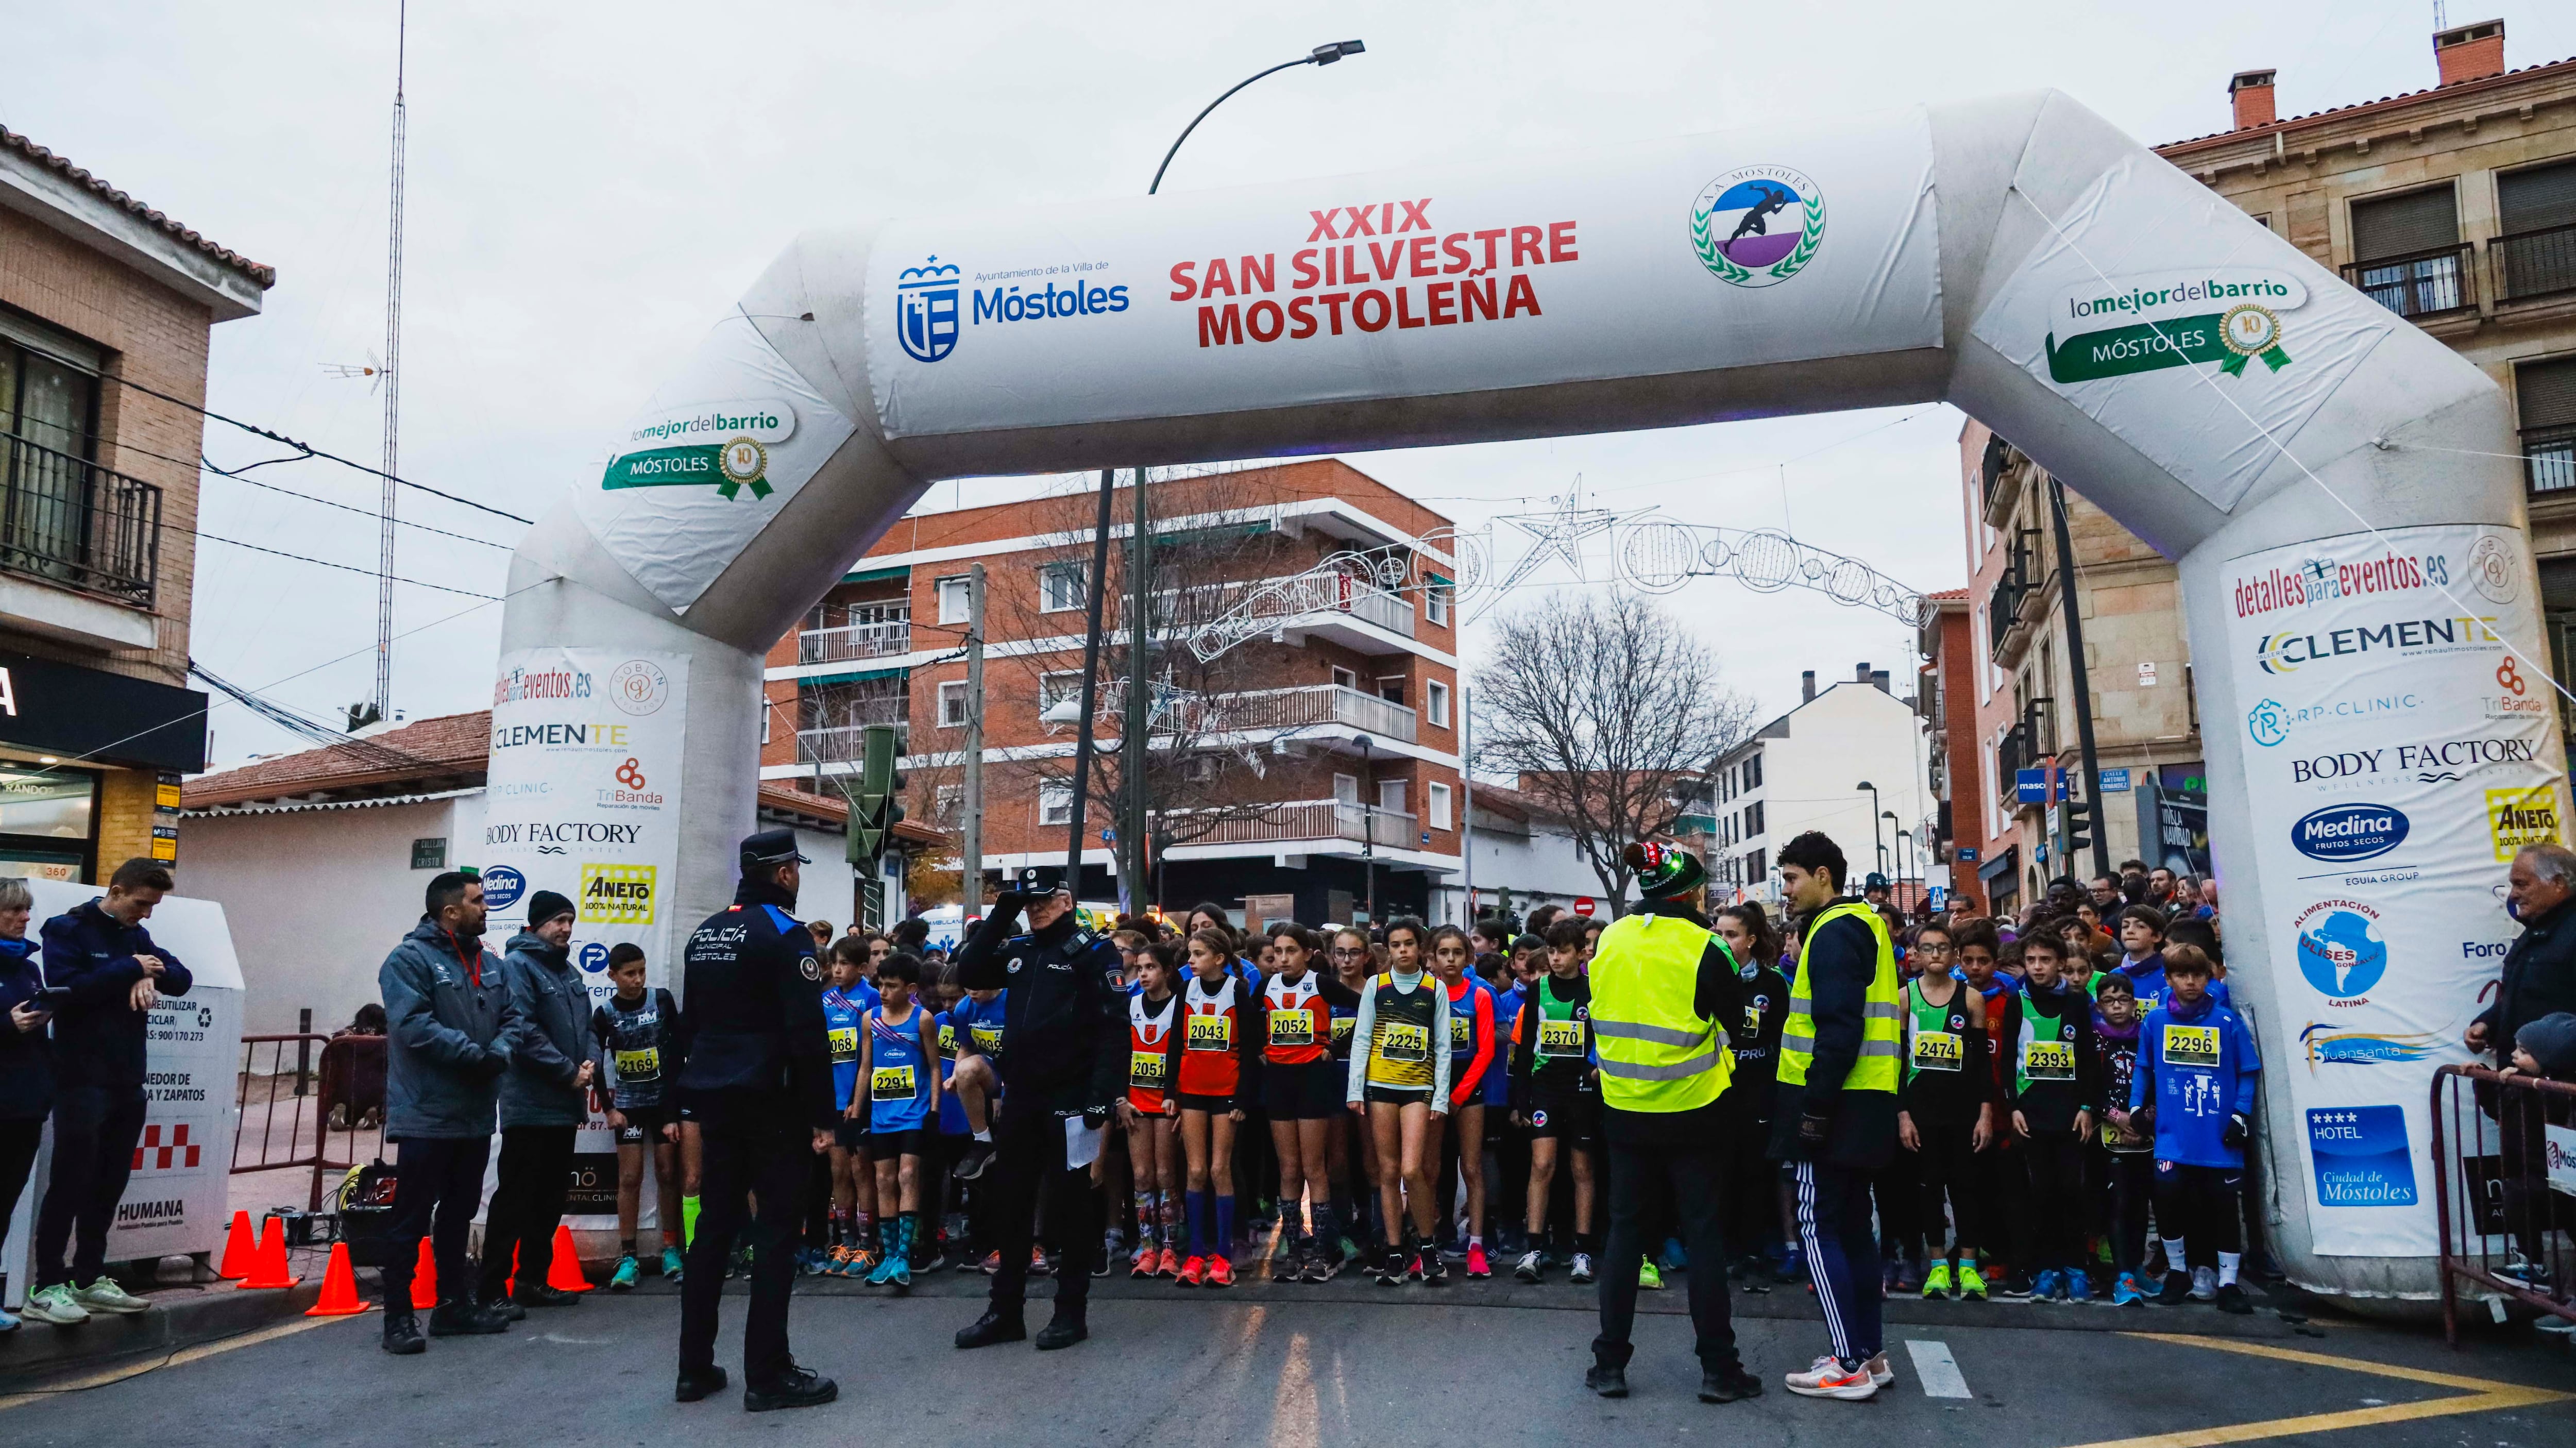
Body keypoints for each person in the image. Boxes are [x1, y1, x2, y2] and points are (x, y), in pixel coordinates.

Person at [1579, 843, 1759, 1404]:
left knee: (1625, 1234)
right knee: (1702, 1235)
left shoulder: (1609, 937)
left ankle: (1609, 1362)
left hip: (1625, 1109)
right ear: (1689, 892)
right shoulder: (1707, 947)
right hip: (1694, 1110)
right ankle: (1717, 1369)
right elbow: (1740, 1026)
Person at [674, 829, 839, 1412]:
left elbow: (690, 1022)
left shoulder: (707, 930)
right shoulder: (785, 934)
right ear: (785, 873)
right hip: (772, 1101)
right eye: (796, 867)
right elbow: (807, 1036)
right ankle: (767, 1374)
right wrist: (823, 1115)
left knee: (714, 1230)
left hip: (714, 1096)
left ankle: (693, 1367)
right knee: (774, 1234)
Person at [951, 883, 1126, 1352]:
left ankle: (1071, 1312)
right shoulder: (1022, 948)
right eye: (1030, 903)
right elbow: (968, 968)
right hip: (1023, 1095)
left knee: (1072, 1206)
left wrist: (1101, 1097)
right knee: (1010, 1203)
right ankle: (1005, 1311)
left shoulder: (1094, 951)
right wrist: (1002, 912)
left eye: (1046, 901)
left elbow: (1115, 1028)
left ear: (1068, 902)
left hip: (1071, 1095)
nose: (1038, 910)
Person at [29, 862, 190, 1326]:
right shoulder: (68, 929)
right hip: (81, 1077)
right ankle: (47, 1283)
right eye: (141, 904)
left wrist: (146, 973)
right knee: (71, 1180)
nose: (147, 915)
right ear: (116, 892)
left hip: (128, 1078)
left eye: (154, 907)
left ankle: (90, 1277)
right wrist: (130, 970)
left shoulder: (136, 936)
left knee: (110, 1181)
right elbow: (66, 989)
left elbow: (181, 977)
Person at [1771, 832, 1900, 1403]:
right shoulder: (1865, 923)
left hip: (1832, 1102)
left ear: (1823, 875)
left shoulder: (1830, 931)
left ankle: (1847, 1361)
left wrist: (1813, 1109)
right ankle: (1868, 1353)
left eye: (1792, 877)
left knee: (1818, 1228)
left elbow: (1837, 1028)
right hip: (1865, 1099)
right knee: (1852, 1230)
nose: (1786, 889)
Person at [364, 870, 511, 1354]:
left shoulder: (490, 962)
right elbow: (412, 1026)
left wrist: (501, 1051)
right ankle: (399, 1317)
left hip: (473, 1114)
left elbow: (513, 1018)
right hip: (426, 1115)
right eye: (478, 901)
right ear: (450, 912)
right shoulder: (408, 960)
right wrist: (476, 1055)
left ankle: (453, 1307)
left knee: (459, 1212)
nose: (487, 908)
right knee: (410, 1217)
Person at [480, 889, 594, 1315]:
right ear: (535, 924)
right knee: (514, 1199)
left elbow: (590, 1029)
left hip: (564, 1107)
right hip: (528, 1104)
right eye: (558, 921)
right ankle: (492, 1288)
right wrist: (568, 1071)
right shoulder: (518, 967)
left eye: (570, 921)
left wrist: (590, 1062)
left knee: (548, 1200)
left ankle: (533, 1281)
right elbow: (522, 1031)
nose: (566, 929)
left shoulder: (569, 973)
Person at [2131, 943, 2259, 1313]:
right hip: (2173, 1136)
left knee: (2222, 1206)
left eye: (2198, 974)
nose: (2190, 982)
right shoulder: (2156, 1021)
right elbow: (2143, 1067)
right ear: (2168, 979)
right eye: (2181, 975)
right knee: (2168, 1199)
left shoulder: (2226, 1022)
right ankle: (2176, 1273)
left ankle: (2229, 1283)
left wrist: (2240, 1115)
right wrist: (2137, 1107)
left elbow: (2247, 1072)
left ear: (2209, 977)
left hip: (2219, 1137)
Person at [1346, 917, 1452, 1286]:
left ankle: (1427, 1247)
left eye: (1408, 944)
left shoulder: (1434, 988)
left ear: (1420, 949)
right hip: (1380, 1086)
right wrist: (1355, 1089)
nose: (1402, 950)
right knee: (1388, 1173)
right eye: (1395, 945)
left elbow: (1442, 1045)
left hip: (1418, 1089)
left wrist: (1441, 1097)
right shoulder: (1376, 986)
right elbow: (1361, 1039)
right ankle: (1394, 1253)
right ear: (1387, 950)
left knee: (1412, 1169)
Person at [2001, 930, 2099, 1303]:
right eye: (2031, 961)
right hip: (2032, 1114)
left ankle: (2075, 1268)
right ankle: (2045, 1270)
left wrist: (2087, 1108)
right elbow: (2008, 1060)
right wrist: (2013, 1108)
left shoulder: (2076, 1004)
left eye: (2045, 960)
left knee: (2071, 1192)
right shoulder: (2016, 1003)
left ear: (2060, 963)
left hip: (2071, 1116)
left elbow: (2089, 1061)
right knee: (2040, 1193)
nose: (2038, 967)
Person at [1897, 917, 1992, 1302]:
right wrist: (1902, 1114)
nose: (1935, 955)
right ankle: (1937, 1265)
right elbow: (1897, 1060)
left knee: (1967, 1189)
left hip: (1963, 1109)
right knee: (1929, 1190)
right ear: (1916, 955)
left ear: (1954, 955)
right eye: (1928, 949)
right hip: (1921, 1111)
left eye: (1943, 948)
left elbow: (1982, 1063)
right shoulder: (1906, 998)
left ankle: (1968, 1268)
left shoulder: (1971, 999)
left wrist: (1986, 1112)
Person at [1258, 923, 1358, 1283]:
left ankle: (1324, 1251)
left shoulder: (1321, 983)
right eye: (1278, 952)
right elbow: (1247, 1019)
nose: (1283, 958)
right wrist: (1260, 1049)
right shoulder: (1266, 985)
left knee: (1314, 1167)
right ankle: (1293, 1251)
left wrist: (1337, 1048)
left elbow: (1364, 1010)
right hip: (1279, 1081)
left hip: (1314, 1079)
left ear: (1307, 954)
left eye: (1290, 951)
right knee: (1288, 1169)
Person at [592, 942, 689, 1290]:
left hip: (662, 1104)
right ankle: (628, 1256)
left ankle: (670, 1248)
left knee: (668, 1173)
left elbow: (678, 1056)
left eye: (642, 972)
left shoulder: (661, 1000)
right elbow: (595, 1061)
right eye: (630, 974)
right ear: (612, 975)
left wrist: (672, 1114)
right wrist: (609, 1108)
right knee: (630, 1178)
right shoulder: (605, 1012)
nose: (637, 980)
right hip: (629, 1108)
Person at [1512, 917, 1600, 1284]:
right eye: (1551, 951)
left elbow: (1606, 1039)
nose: (1556, 958)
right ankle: (1534, 1247)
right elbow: (1525, 1048)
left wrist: (1596, 1073)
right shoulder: (1538, 990)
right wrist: (1521, 1100)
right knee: (1542, 1166)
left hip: (1581, 1091)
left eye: (1563, 952)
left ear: (1581, 953)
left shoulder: (1595, 990)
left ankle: (1582, 1250)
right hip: (1545, 1088)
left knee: (1582, 1170)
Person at [1172, 926, 1260, 1287]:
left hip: (1226, 1092)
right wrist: (1170, 1093)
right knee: (1195, 1171)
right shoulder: (1186, 990)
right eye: (1190, 954)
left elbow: (1253, 1049)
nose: (1191, 961)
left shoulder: (1236, 990)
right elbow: (1175, 1043)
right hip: (1191, 1091)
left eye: (1198, 955)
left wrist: (1243, 1098)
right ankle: (1196, 1252)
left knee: (1219, 1168)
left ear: (1219, 959)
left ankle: (1223, 1254)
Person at [1714, 903, 1790, 1281]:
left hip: (1759, 1090)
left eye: (1732, 935)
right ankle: (1727, 1250)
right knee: (1722, 1172)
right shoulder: (1710, 978)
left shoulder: (1773, 984)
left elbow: (1781, 1039)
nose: (1724, 941)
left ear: (1751, 940)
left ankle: (1755, 1251)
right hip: (1719, 1090)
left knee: (1756, 1173)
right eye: (1719, 933)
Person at [858, 951, 942, 1287]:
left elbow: (935, 1067)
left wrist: (934, 1110)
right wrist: (855, 1107)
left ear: (910, 988)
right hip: (882, 1114)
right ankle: (890, 1254)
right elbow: (866, 1067)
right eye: (880, 985)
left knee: (908, 1175)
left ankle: (904, 1255)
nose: (883, 992)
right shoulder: (870, 1019)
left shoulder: (922, 1019)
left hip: (914, 1112)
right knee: (883, 1180)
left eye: (891, 987)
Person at [1427, 924, 1497, 1276]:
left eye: (1457, 953)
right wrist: (1440, 1095)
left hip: (1468, 1092)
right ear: (1433, 957)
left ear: (1468, 957)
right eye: (1444, 953)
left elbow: (1485, 1052)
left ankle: (1477, 1244)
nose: (1451, 959)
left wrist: (1457, 1096)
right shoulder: (1426, 994)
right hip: (1434, 1091)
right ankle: (1430, 1239)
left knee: (1471, 1167)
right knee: (1434, 1169)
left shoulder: (1480, 995)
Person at [0, 878, 52, 1334]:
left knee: (4, 1205)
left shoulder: (29, 967)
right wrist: (6, 1025)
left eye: (27, 911)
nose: (24, 918)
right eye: (13, 911)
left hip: (26, 1104)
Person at [2091, 972, 2156, 1306]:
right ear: (2099, 1006)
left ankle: (2138, 1267)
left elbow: (2160, 1076)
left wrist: (2146, 1118)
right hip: (2109, 1132)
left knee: (2140, 1204)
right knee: (2119, 1203)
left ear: (2134, 1003)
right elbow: (2087, 1085)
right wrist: (2117, 1117)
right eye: (2109, 1001)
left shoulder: (2147, 1035)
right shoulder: (2095, 1040)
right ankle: (2123, 1275)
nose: (2117, 1007)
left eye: (2123, 1000)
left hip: (2145, 1132)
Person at [1123, 939, 1185, 1277]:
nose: (1144, 974)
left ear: (1167, 971)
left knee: (1165, 1175)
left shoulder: (1180, 1007)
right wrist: (1120, 1099)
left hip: (1166, 1103)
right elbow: (1120, 1056)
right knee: (1142, 1175)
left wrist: (1181, 1099)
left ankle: (1171, 1248)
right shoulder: (1130, 1005)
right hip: (1136, 1103)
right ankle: (1148, 1248)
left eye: (1151, 968)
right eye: (1140, 968)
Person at [819, 938, 879, 1277]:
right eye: (835, 963)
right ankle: (846, 1241)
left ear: (861, 967)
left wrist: (858, 1102)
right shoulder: (825, 1000)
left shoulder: (871, 997)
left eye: (845, 964)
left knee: (862, 1173)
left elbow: (869, 1058)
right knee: (839, 1172)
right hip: (833, 1098)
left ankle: (869, 1246)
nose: (838, 970)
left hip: (862, 1102)